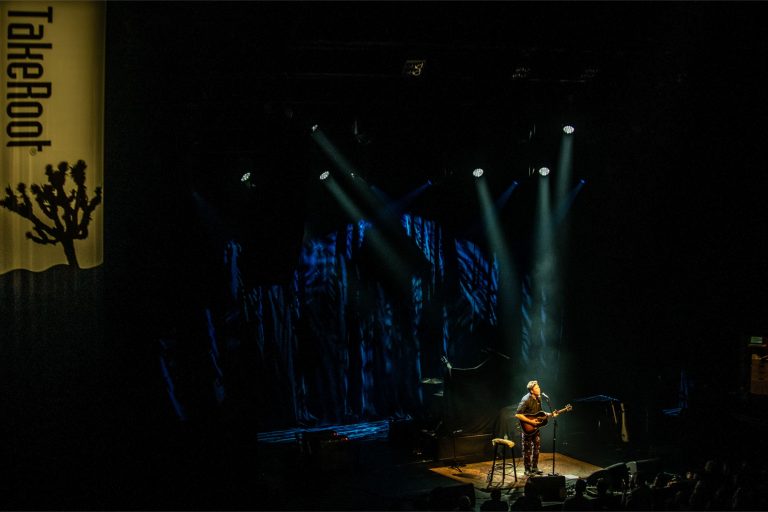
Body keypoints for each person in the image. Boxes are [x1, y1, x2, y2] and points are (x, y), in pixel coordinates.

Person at [514, 380, 558, 476]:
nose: (539, 389)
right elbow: (518, 415)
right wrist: (531, 422)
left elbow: (540, 413)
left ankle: (534, 467)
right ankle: (527, 468)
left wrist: (550, 414)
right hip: (527, 428)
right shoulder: (525, 399)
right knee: (527, 449)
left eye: (539, 387)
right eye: (537, 388)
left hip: (536, 428)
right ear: (532, 391)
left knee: (537, 448)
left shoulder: (539, 398)